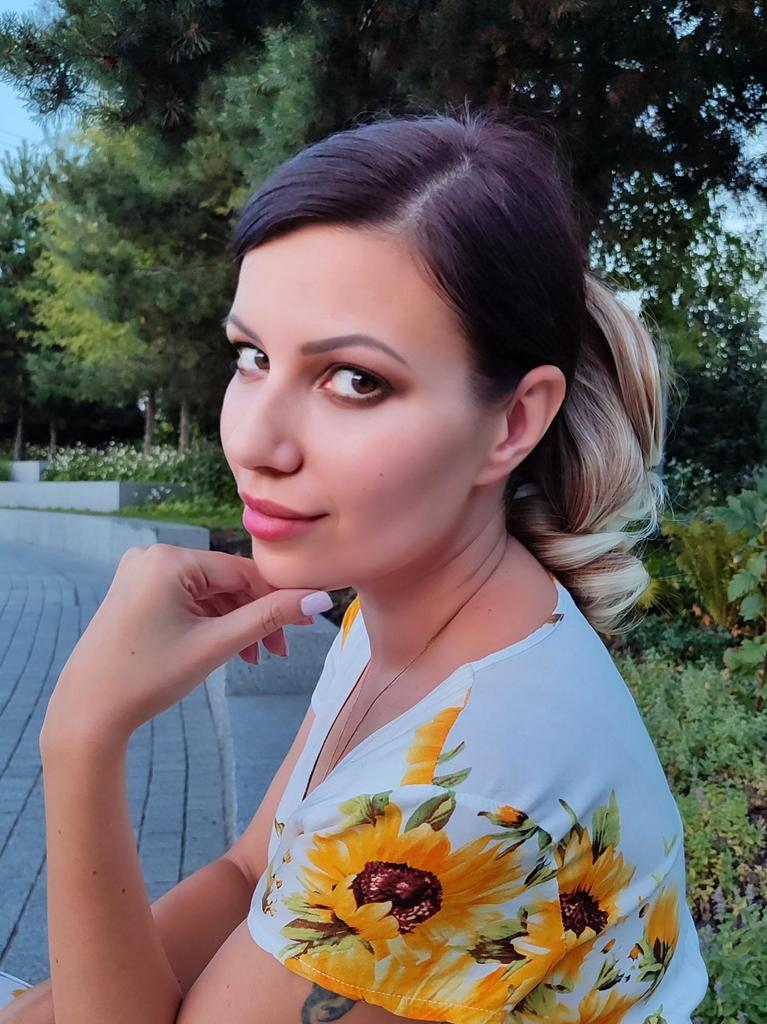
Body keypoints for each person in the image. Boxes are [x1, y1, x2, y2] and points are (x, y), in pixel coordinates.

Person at [1, 107, 708, 1023]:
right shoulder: (400, 611)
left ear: (512, 422)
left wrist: (81, 734)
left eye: (354, 380)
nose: (254, 442)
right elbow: (249, 872)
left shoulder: (465, 798)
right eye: (252, 356)